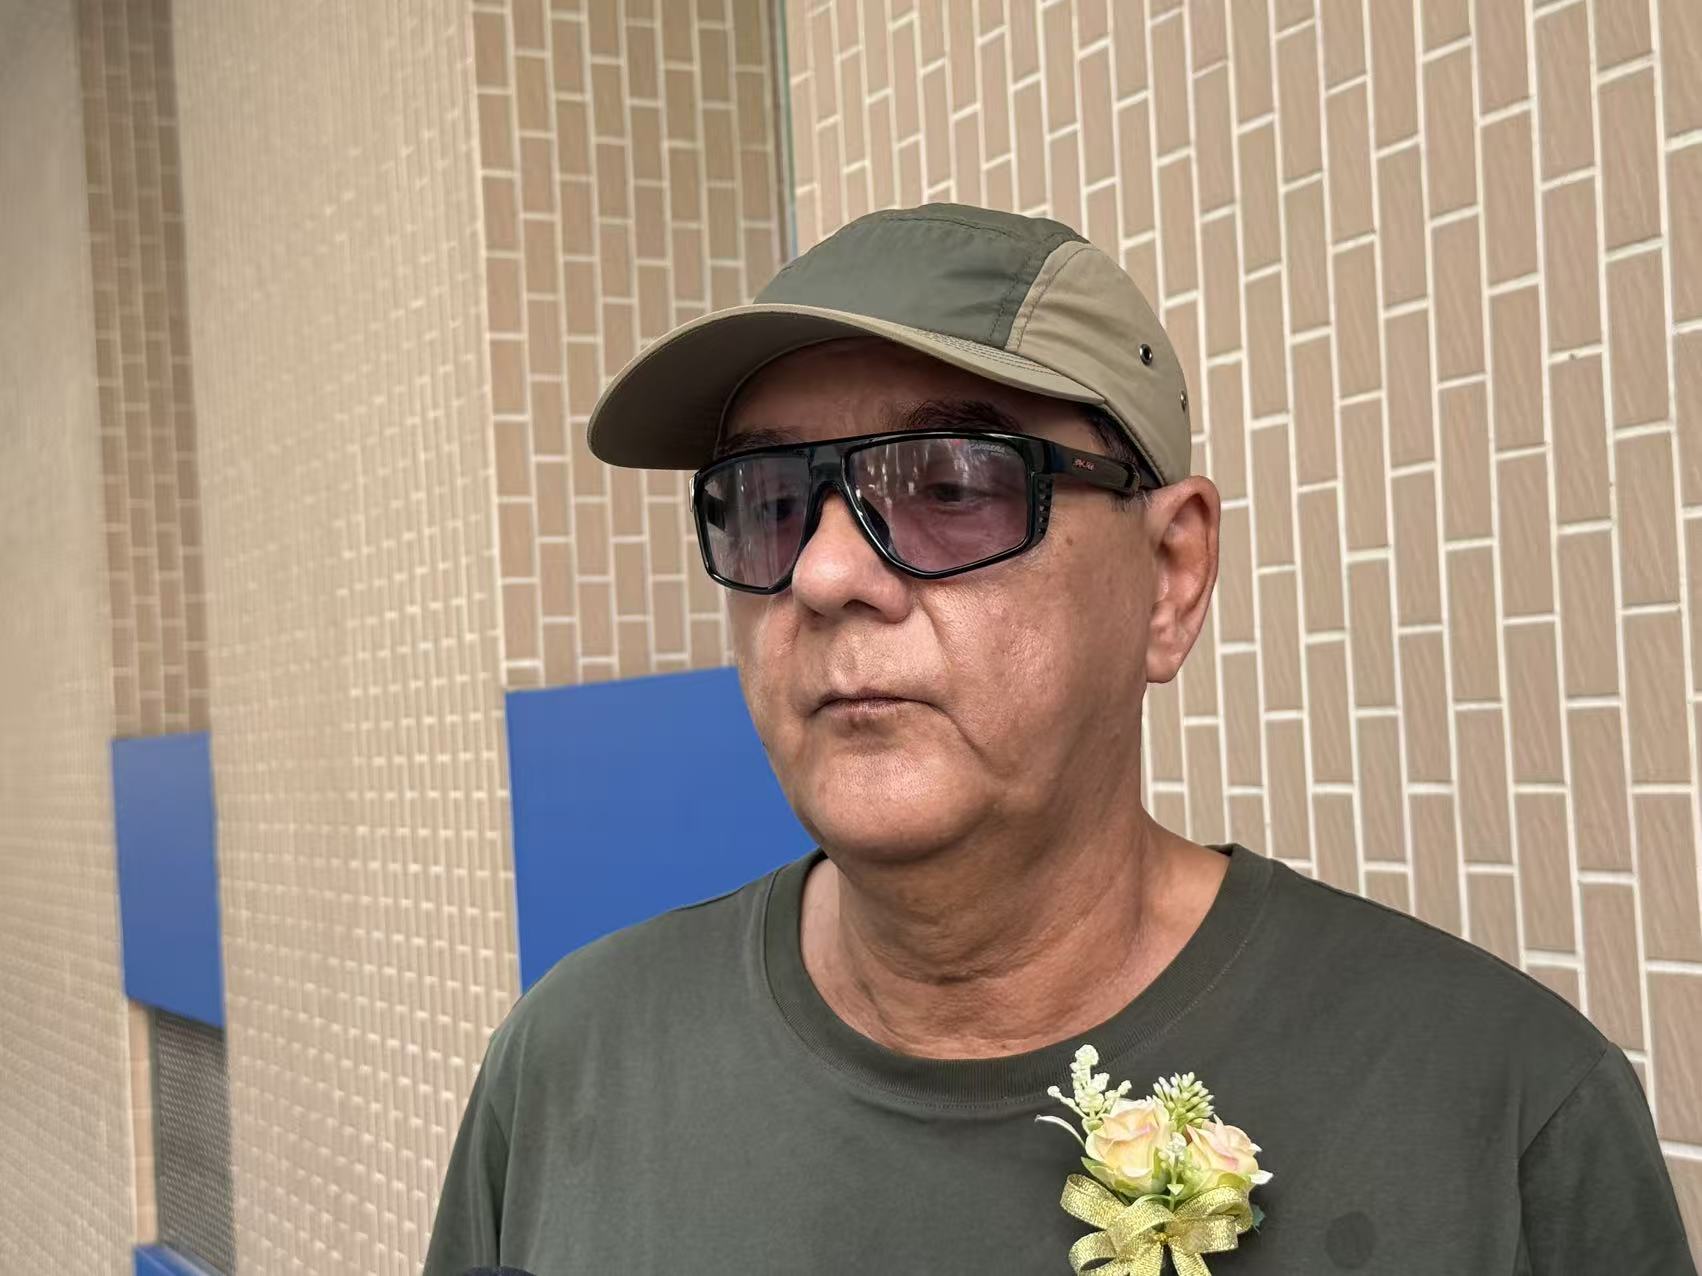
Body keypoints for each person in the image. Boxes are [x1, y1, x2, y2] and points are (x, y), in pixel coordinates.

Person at [423, 204, 1693, 1274]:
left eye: (949, 484)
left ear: (1171, 574)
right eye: (766, 500)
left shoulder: (1499, 1110)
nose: (821, 573)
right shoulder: (572, 1066)